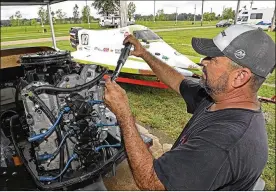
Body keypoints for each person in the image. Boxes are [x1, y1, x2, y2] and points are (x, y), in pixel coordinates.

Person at [103, 25, 275, 190]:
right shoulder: (219, 98)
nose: (202, 62)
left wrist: (124, 114)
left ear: (240, 76)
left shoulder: (223, 142)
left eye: (212, 58)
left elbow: (152, 183)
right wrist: (144, 53)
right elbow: (177, 81)